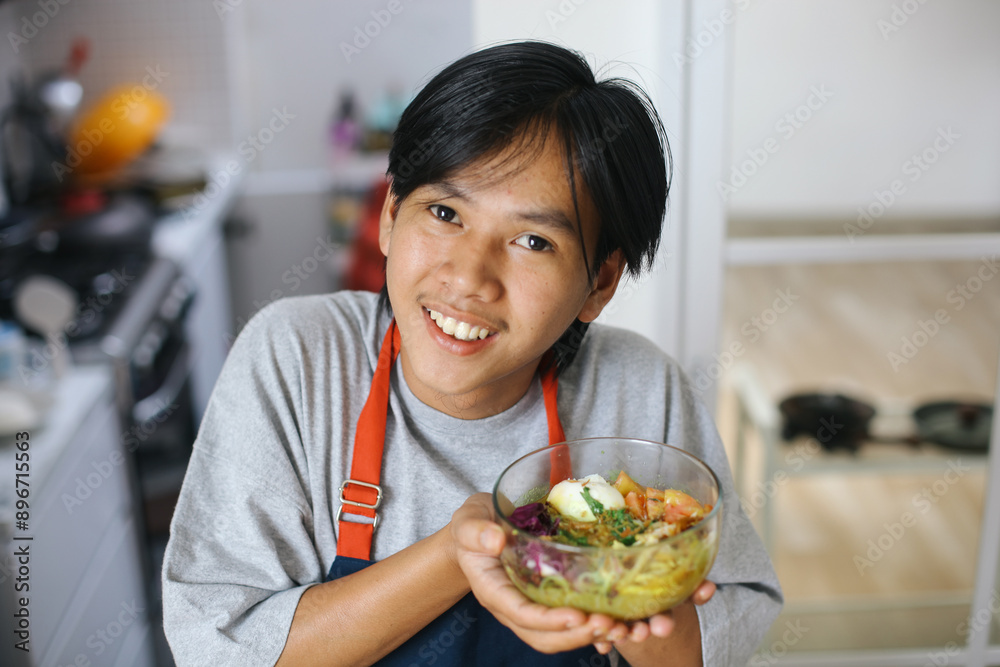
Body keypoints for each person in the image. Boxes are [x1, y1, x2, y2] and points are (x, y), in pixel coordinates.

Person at [162, 40, 782, 666]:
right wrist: (458, 553)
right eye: (444, 212)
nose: (468, 278)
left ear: (599, 283)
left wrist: (630, 583)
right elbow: (217, 648)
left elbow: (712, 646)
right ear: (390, 215)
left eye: (533, 241)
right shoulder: (297, 359)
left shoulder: (640, 391)